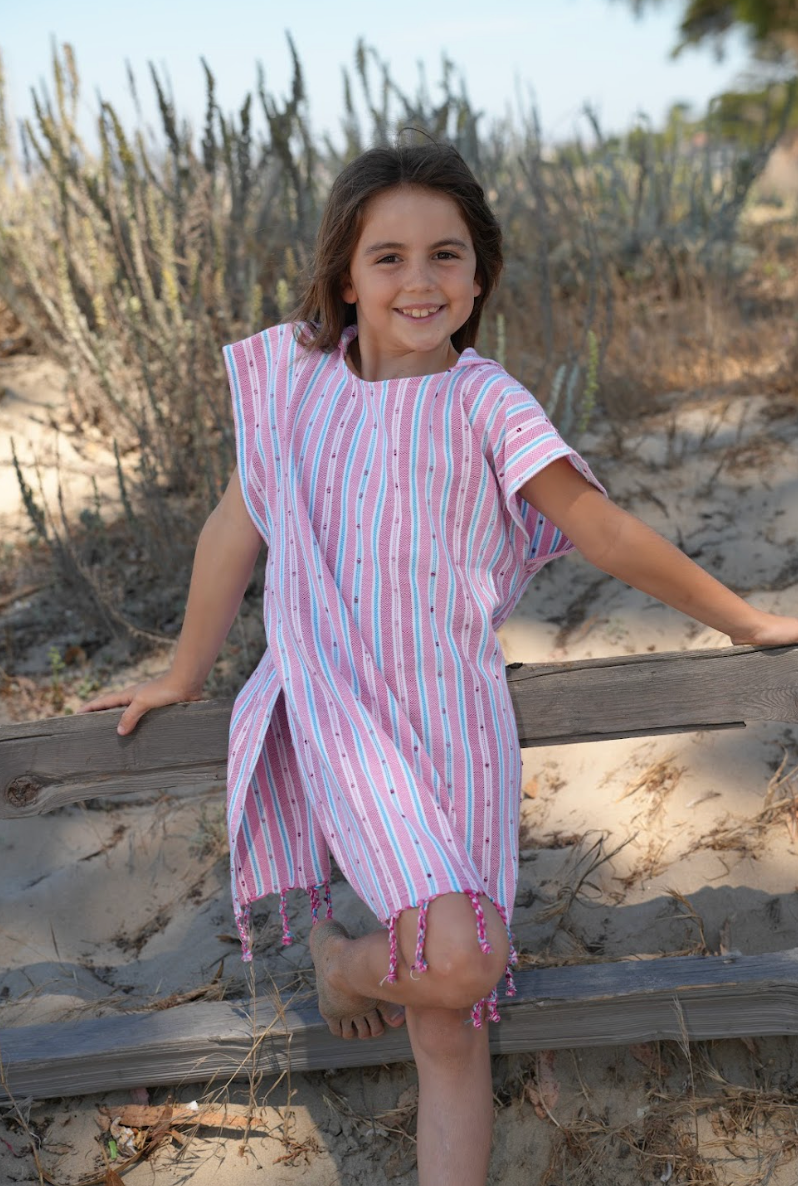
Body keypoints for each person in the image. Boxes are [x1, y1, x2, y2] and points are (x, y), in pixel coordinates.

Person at [81, 141, 798, 1186]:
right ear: (344, 277)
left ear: (479, 275)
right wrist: (185, 675)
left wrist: (743, 622)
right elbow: (231, 534)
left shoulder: (486, 398)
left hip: (456, 720)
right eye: (389, 257)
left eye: (446, 254)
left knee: (453, 1018)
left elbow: (596, 527)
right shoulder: (301, 390)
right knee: (461, 957)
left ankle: (355, 975)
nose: (419, 280)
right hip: (343, 710)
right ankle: (335, 959)